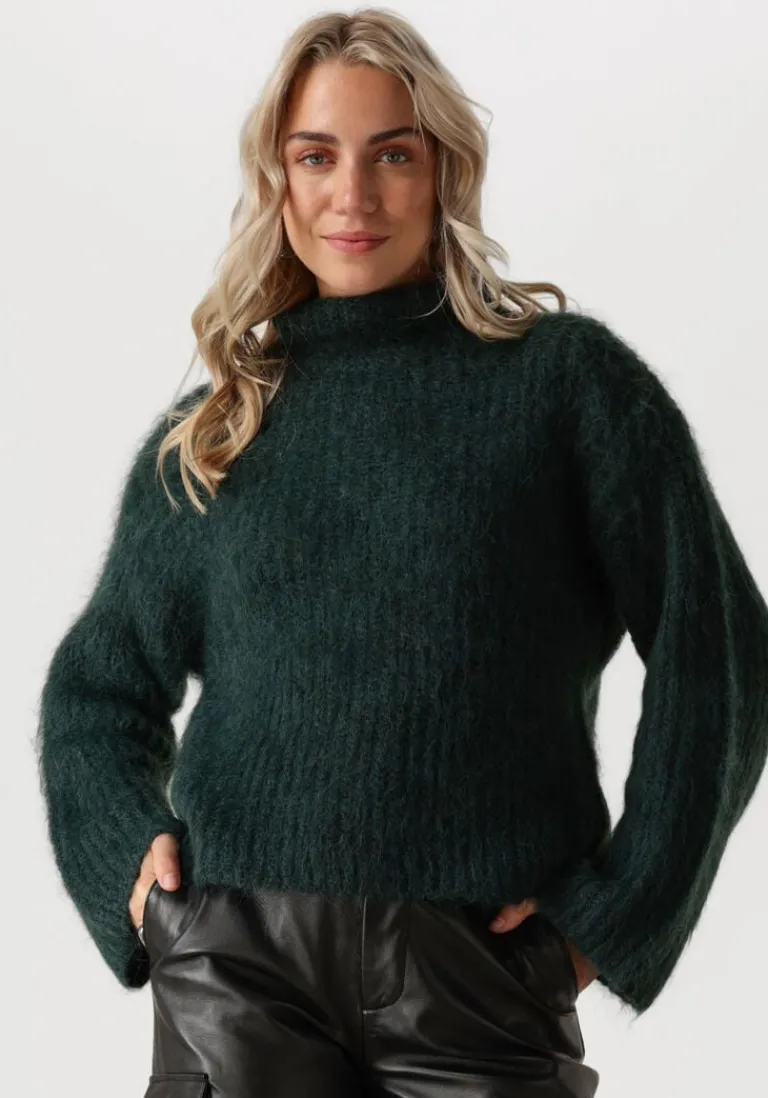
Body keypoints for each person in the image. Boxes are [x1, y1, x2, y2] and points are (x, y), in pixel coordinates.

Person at [35, 9, 768, 1098]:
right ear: (277, 179)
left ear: (444, 172)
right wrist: (129, 866)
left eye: (392, 155)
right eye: (315, 156)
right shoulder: (217, 430)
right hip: (236, 964)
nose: (353, 196)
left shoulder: (567, 388)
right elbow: (97, 691)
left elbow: (722, 656)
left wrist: (613, 915)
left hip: (479, 973)